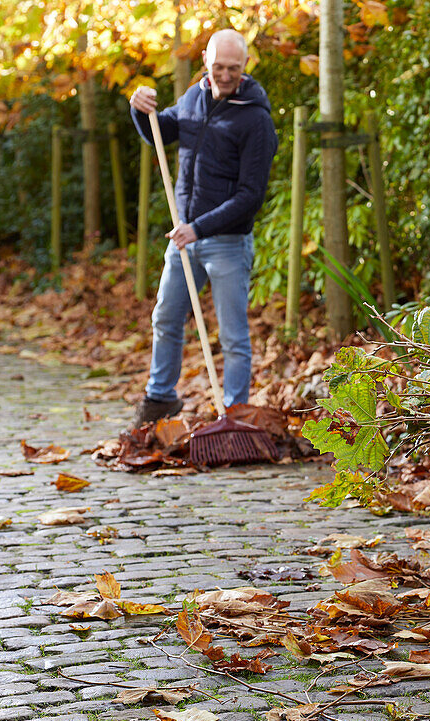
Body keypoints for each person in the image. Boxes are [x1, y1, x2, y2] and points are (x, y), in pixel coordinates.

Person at [128, 28, 278, 430]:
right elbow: (159, 131)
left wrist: (199, 228)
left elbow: (250, 196)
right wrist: (138, 108)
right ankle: (160, 399)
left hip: (226, 243)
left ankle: (235, 415)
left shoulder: (256, 120)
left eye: (233, 67)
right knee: (165, 317)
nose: (225, 75)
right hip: (184, 239)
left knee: (232, 335)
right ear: (206, 64)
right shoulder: (194, 97)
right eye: (217, 67)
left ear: (245, 66)